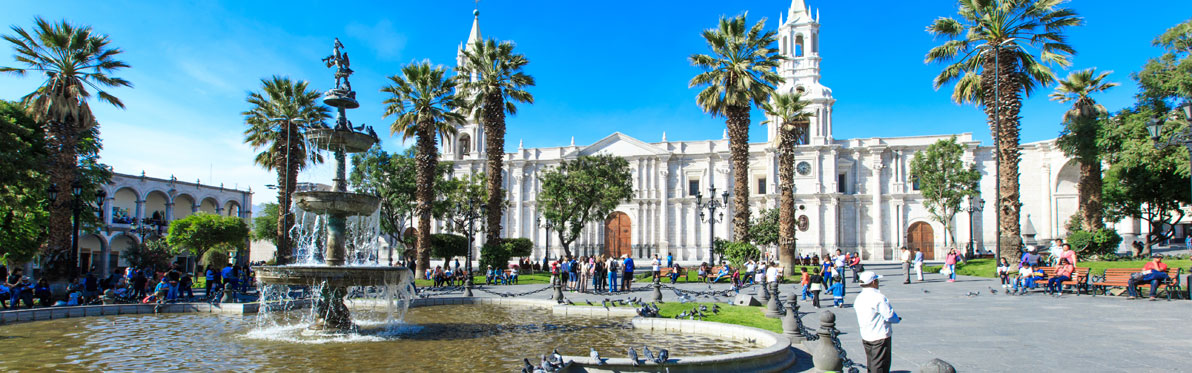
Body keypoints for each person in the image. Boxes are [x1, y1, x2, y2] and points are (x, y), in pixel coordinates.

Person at [854, 271, 900, 373]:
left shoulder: (859, 297)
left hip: (866, 334)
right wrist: (897, 319)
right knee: (880, 365)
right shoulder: (878, 297)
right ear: (874, 282)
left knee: (871, 362)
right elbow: (889, 315)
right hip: (879, 335)